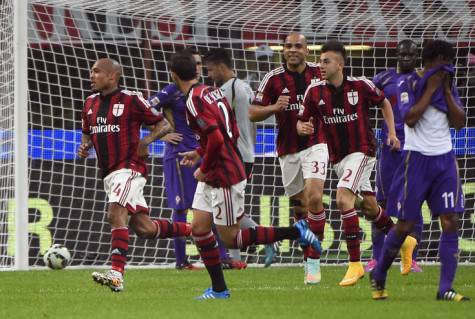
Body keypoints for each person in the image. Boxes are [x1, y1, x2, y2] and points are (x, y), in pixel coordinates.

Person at [169, 51, 322, 299]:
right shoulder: (211, 92)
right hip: (218, 166)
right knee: (199, 229)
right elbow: (228, 130)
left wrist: (204, 167)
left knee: (231, 239)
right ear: (196, 73)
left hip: (223, 174)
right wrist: (199, 152)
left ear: (173, 75)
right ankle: (219, 289)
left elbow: (219, 138)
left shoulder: (194, 100)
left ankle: (298, 231)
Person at [78, 58, 191, 292]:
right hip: (108, 173)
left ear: (112, 76)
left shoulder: (131, 99)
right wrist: (84, 146)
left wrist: (146, 141)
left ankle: (116, 275)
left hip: (130, 168)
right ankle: (198, 231)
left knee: (114, 213)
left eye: (96, 71)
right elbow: (87, 133)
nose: (92, 75)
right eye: (91, 72)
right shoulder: (89, 103)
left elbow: (164, 126)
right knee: (145, 229)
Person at [370, 40, 469, 301]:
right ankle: (379, 273)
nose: (449, 67)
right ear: (433, 61)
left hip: (445, 160)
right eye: (445, 62)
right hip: (415, 161)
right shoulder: (408, 83)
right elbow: (410, 119)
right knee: (404, 225)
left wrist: (445, 91)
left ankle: (445, 288)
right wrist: (432, 88)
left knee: (450, 220)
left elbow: (460, 122)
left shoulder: (448, 84)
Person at [296, 40, 401, 287]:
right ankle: (403, 241)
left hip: (363, 151)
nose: (321, 65)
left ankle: (355, 264)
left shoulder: (360, 85)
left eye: (326, 61)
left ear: (340, 64)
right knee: (369, 207)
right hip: (338, 158)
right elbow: (301, 123)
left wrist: (392, 132)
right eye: (320, 60)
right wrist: (303, 127)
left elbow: (384, 102)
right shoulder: (314, 91)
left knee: (343, 198)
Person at [249, 32, 329, 284]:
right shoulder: (272, 79)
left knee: (315, 197)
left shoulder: (320, 73)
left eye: (298, 46)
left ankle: (313, 260)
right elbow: (252, 112)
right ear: (282, 50)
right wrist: (273, 108)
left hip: (317, 144)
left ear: (307, 50)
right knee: (300, 207)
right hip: (288, 149)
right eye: (288, 46)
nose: (292, 50)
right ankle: (308, 254)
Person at [203, 47, 277, 267]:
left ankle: (265, 239)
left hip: (234, 155)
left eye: (210, 70)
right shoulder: (243, 85)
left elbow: (221, 125)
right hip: (245, 153)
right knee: (230, 210)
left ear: (220, 67)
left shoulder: (228, 90)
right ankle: (236, 259)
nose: (209, 75)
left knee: (229, 211)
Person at [366, 40, 422, 275]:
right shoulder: (382, 79)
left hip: (415, 149)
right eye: (403, 54)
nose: (407, 58)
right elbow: (363, 105)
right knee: (382, 204)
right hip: (389, 150)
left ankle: (411, 258)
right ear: (396, 55)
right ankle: (377, 258)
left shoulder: (422, 81)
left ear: (417, 56)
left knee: (414, 202)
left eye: (411, 54)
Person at [148, 48, 203, 270]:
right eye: (195, 63)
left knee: (206, 207)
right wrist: (163, 132)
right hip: (179, 155)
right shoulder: (171, 91)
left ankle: (219, 256)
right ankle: (181, 261)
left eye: (200, 63)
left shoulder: (201, 91)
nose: (198, 67)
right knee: (181, 209)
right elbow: (145, 108)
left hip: (200, 153)